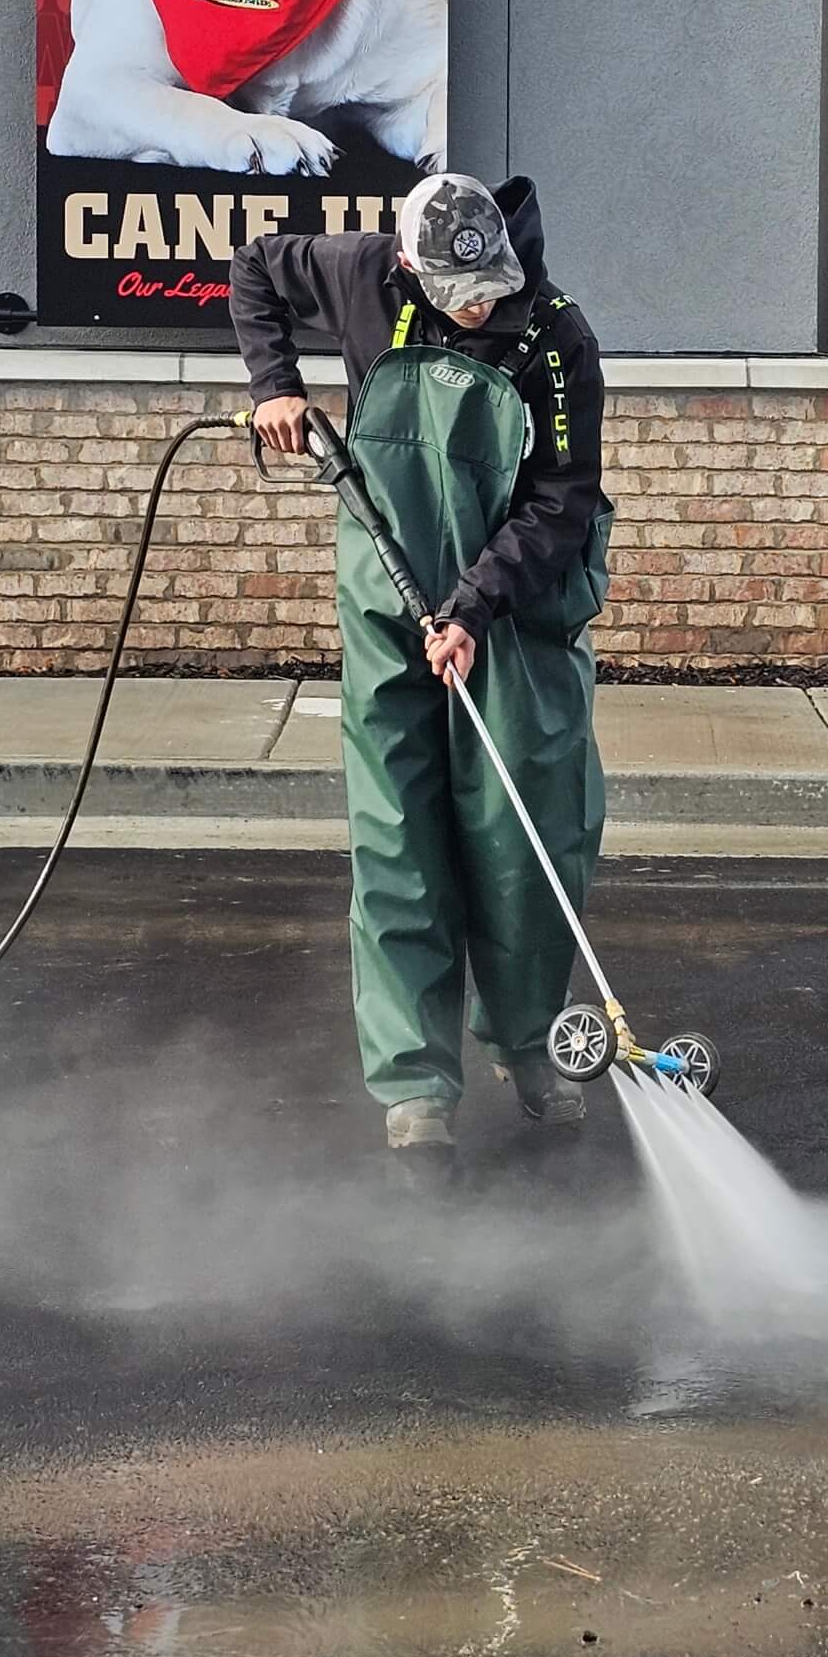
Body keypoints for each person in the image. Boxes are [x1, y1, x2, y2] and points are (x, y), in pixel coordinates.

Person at [230, 175, 610, 1165]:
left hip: (515, 610)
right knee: (399, 836)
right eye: (462, 292)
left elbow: (563, 501)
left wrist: (476, 605)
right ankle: (415, 1085)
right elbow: (256, 271)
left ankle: (530, 1046)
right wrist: (273, 381)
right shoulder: (361, 274)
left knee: (523, 836)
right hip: (388, 593)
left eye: (491, 285)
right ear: (410, 267)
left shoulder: (555, 337)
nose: (482, 305)